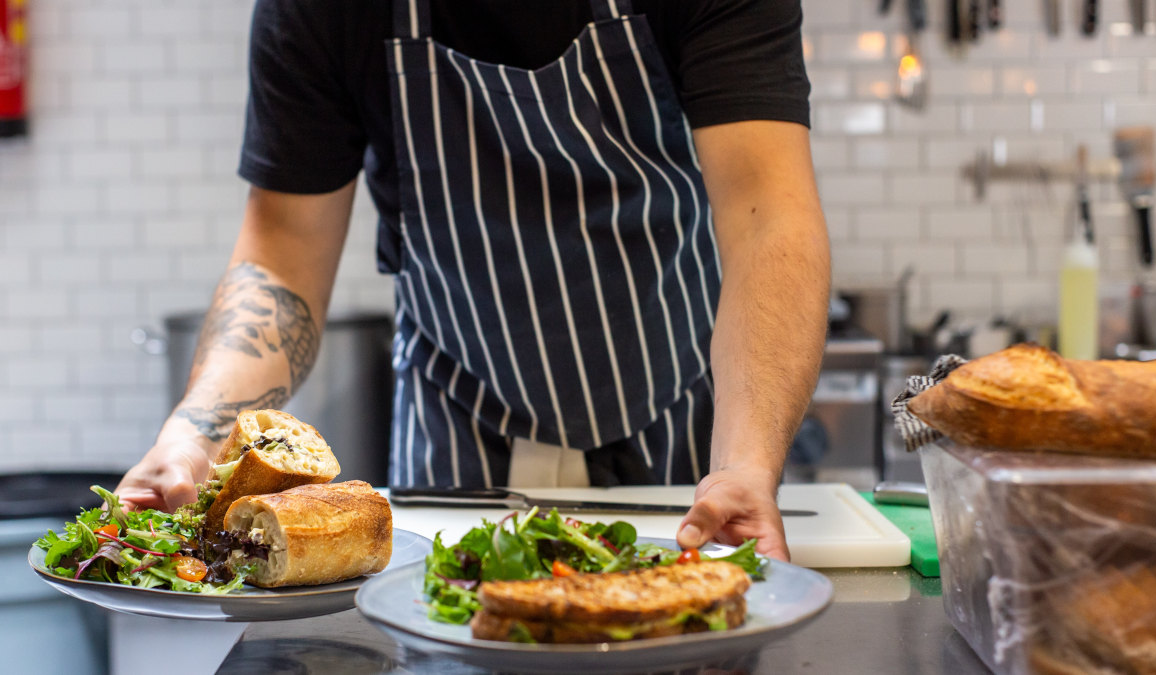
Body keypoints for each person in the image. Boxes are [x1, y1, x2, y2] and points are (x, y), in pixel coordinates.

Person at [115, 0, 829, 562]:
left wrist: (743, 465)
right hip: (454, 439)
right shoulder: (323, 11)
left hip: (687, 442)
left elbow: (769, 218)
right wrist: (194, 435)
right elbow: (284, 254)